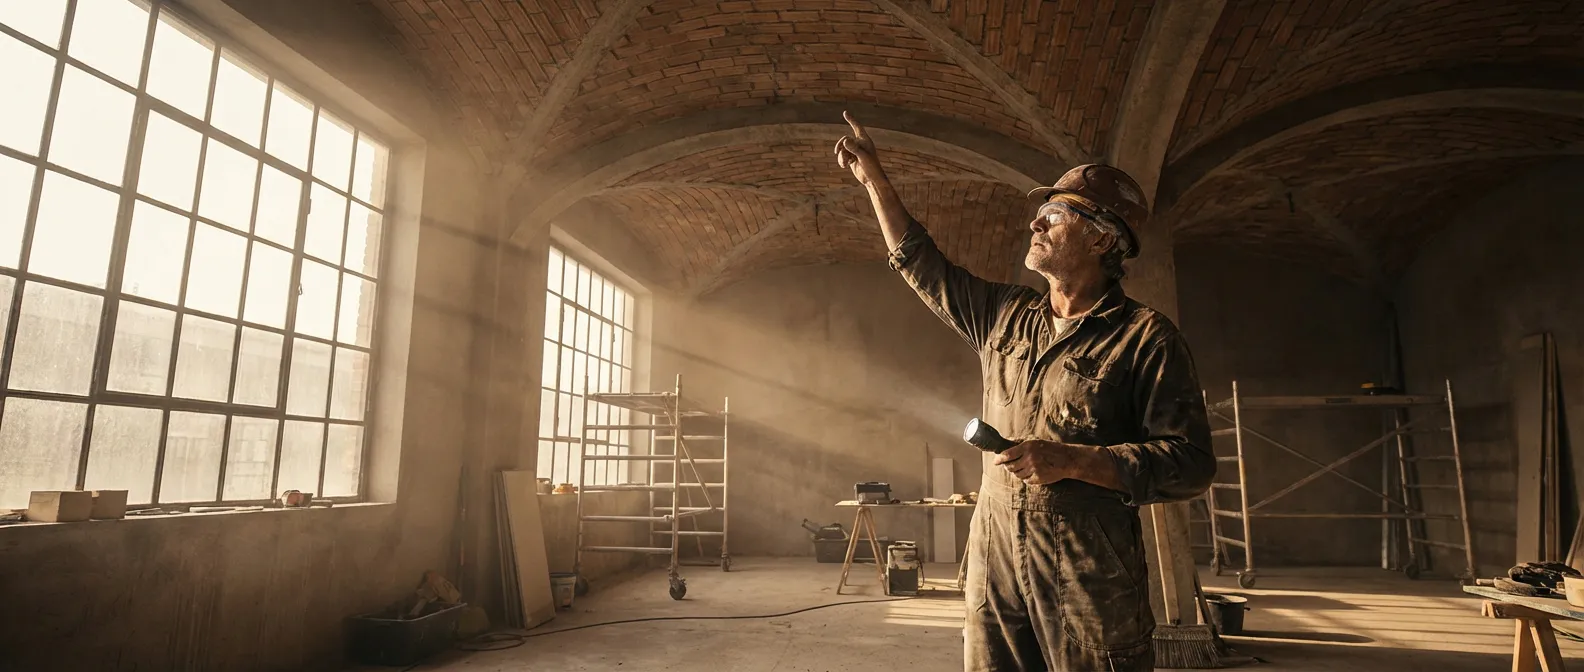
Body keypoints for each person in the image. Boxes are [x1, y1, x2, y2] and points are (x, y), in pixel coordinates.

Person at [834, 112, 1216, 671]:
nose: (1035, 226)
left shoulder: (1146, 337)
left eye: (1054, 216)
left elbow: (1191, 464)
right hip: (996, 552)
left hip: (1090, 565)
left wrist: (1077, 461)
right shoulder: (1006, 314)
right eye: (1039, 215)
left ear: (1102, 237)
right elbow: (920, 262)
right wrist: (874, 180)